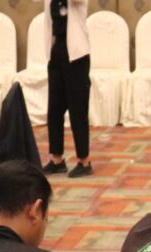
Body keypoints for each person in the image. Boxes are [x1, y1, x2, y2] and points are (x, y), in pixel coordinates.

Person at [41, 0, 92, 178]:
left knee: (78, 109)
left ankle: (84, 161)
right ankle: (57, 160)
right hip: (56, 52)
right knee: (54, 108)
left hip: (77, 56)